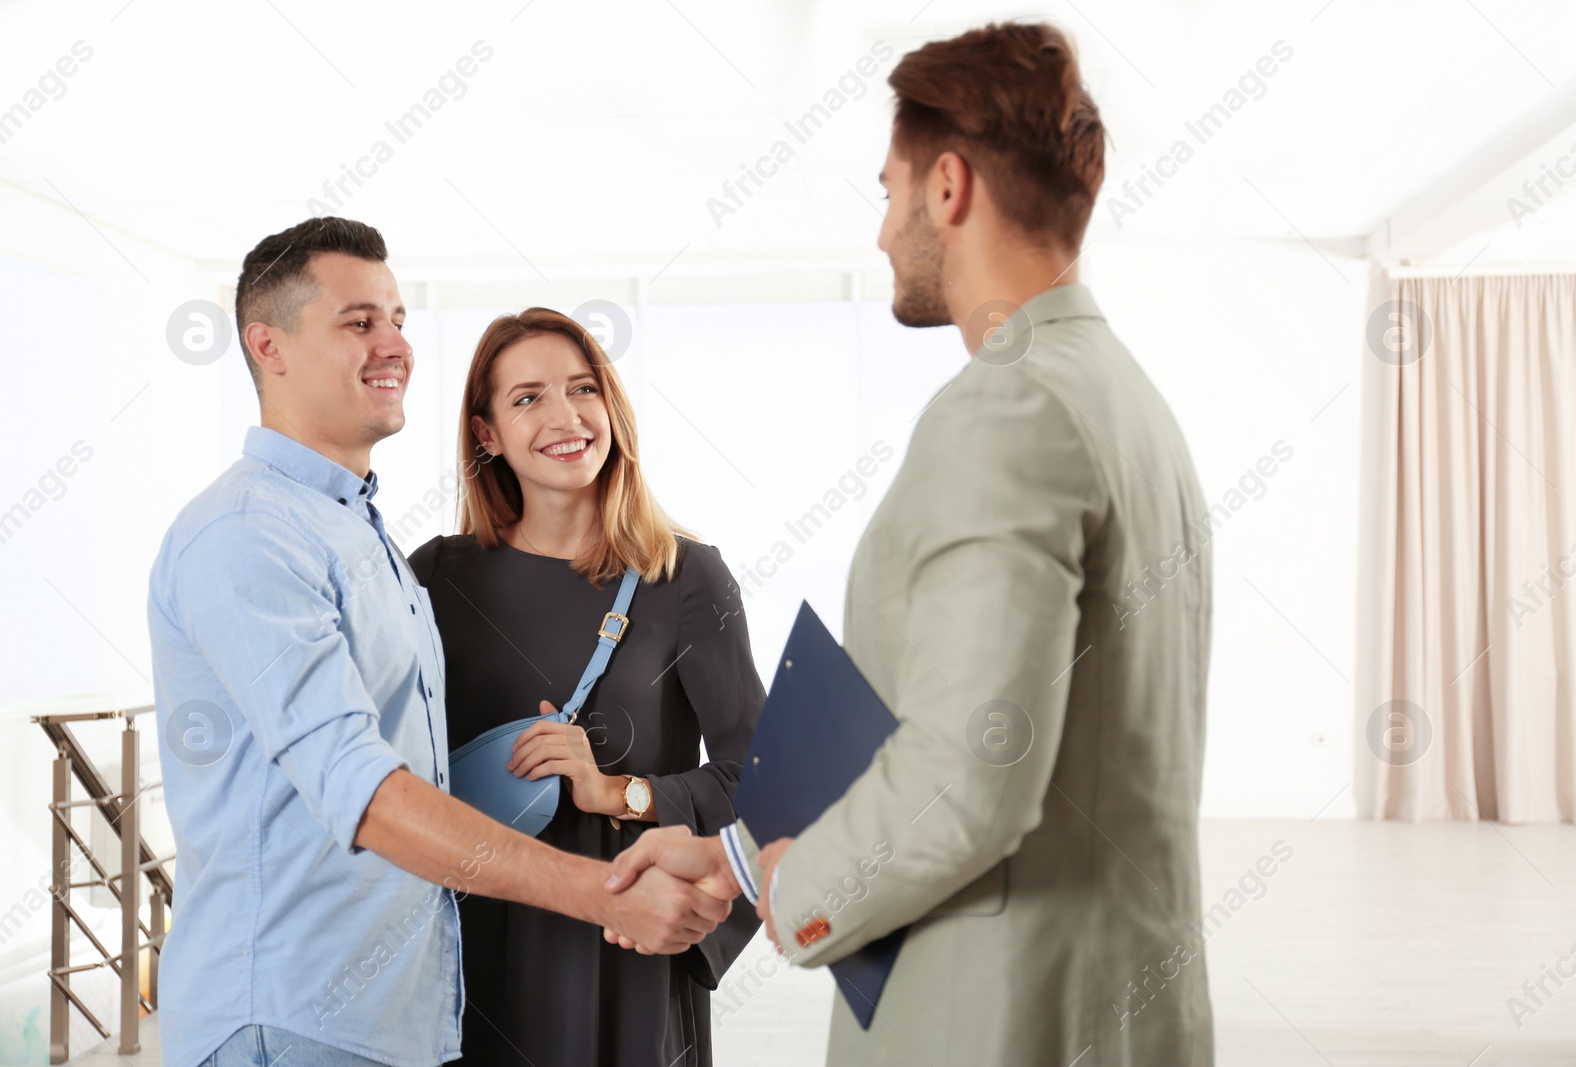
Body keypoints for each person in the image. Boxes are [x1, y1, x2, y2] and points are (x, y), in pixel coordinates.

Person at [605, 21, 1216, 1066]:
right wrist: (741, 860)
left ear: (948, 187)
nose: (884, 231)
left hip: (1000, 1014)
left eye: (887, 193)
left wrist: (795, 890)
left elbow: (970, 767)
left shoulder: (1005, 413)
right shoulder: (1126, 401)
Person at [147, 217, 735, 1067]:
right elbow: (368, 791)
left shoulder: (362, 537)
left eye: (398, 318)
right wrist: (606, 893)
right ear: (267, 346)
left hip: (399, 1017)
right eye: (359, 322)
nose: (395, 345)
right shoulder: (249, 535)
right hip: (292, 1018)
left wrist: (624, 798)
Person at [407, 308, 762, 1067]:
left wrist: (619, 792)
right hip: (473, 941)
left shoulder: (687, 578)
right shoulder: (435, 576)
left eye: (582, 388)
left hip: (622, 947)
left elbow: (761, 781)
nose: (566, 417)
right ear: (486, 433)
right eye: (529, 397)